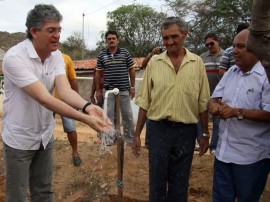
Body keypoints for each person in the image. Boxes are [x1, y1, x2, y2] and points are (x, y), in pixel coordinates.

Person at [1, 4, 112, 202]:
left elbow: (65, 90)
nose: (57, 35)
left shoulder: (57, 56)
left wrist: (88, 106)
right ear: (34, 31)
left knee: (43, 192)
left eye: (59, 30)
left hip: (44, 136)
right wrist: (84, 118)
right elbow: (45, 98)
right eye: (51, 30)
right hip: (20, 139)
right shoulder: (14, 58)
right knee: (17, 196)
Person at [132, 17, 210, 202]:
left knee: (180, 183)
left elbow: (203, 102)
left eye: (174, 36)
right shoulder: (154, 63)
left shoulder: (197, 63)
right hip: (159, 130)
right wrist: (136, 134)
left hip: (186, 132)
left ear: (185, 35)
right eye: (165, 38)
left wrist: (205, 134)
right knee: (157, 183)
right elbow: (145, 102)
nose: (169, 42)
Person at [208, 29, 270, 202]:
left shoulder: (266, 76)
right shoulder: (231, 72)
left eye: (240, 46)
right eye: (234, 46)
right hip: (223, 154)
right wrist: (214, 107)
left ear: (256, 49)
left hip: (251, 158)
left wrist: (237, 112)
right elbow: (214, 99)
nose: (234, 50)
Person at [95, 30, 135, 145]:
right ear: (106, 41)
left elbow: (131, 69)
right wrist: (98, 90)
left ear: (117, 40)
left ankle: (129, 139)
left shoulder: (125, 53)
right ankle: (110, 139)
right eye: (109, 39)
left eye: (113, 38)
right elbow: (98, 73)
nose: (111, 40)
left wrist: (132, 87)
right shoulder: (102, 54)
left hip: (123, 90)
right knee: (108, 116)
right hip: (109, 91)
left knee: (127, 115)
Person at [198, 32, 224, 154]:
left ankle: (214, 147)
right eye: (207, 44)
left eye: (211, 43)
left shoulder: (226, 56)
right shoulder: (202, 57)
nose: (209, 46)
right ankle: (200, 143)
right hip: (204, 95)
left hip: (220, 96)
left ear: (218, 41)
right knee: (199, 120)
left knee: (217, 122)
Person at [54, 53, 82, 166]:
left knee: (70, 128)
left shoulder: (66, 58)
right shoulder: (41, 56)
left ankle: (75, 153)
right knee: (44, 128)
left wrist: (76, 99)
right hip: (47, 100)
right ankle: (42, 155)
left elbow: (72, 79)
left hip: (65, 100)